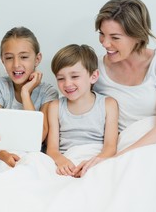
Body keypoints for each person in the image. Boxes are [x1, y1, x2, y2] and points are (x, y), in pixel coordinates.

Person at [93, 0, 156, 156]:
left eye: (115, 37)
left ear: (137, 36)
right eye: (102, 34)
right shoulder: (95, 68)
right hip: (122, 144)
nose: (105, 43)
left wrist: (119, 158)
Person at [0, 26, 59, 168]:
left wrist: (25, 93)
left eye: (24, 57)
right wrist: (4, 155)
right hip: (1, 154)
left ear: (37, 59)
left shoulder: (48, 92)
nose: (16, 65)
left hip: (33, 155)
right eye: (9, 58)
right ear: (2, 60)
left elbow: (38, 136)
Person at [46, 44, 119, 177]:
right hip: (67, 161)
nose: (67, 84)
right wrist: (63, 162)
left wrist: (93, 163)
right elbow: (52, 149)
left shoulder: (108, 104)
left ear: (93, 76)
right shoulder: (55, 107)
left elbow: (110, 147)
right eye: (61, 78)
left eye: (74, 76)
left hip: (95, 158)